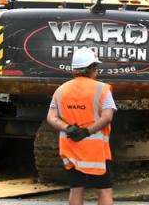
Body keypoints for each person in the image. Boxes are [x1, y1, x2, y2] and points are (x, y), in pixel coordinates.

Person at [47, 48, 116, 205]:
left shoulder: (61, 90)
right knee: (104, 191)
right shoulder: (102, 89)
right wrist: (86, 131)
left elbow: (51, 117)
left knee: (76, 189)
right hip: (96, 154)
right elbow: (107, 117)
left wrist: (68, 128)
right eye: (96, 68)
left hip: (71, 150)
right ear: (91, 68)